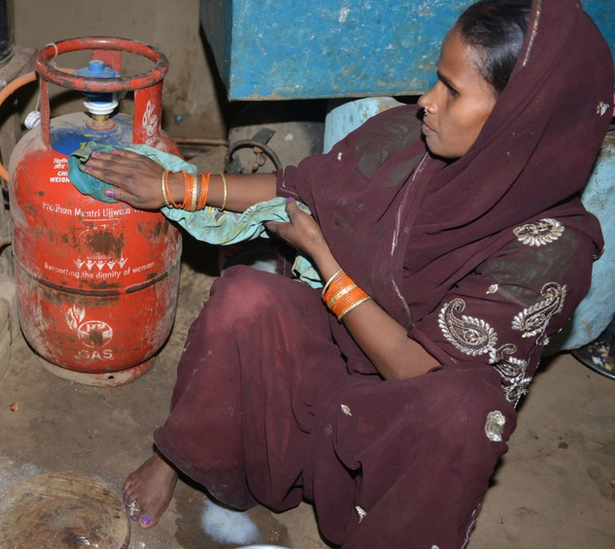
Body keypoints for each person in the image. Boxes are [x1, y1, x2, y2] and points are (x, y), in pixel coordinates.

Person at [81, 0, 614, 546]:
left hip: (400, 425)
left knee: (461, 417)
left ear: (518, 120)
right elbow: (295, 189)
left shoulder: (550, 250)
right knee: (244, 296)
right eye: (436, 79)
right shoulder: (408, 139)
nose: (427, 102)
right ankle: (180, 455)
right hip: (328, 357)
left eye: (452, 91)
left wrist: (326, 261)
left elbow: (417, 371)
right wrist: (177, 188)